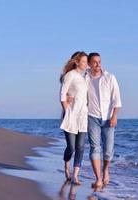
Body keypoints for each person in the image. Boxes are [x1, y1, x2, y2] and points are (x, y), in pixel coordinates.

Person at [85, 52, 122, 188]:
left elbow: (116, 99)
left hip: (108, 118)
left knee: (108, 149)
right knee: (95, 147)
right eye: (95, 62)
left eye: (99, 61)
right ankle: (98, 178)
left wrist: (114, 115)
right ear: (89, 63)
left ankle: (106, 170)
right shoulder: (85, 77)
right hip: (92, 116)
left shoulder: (110, 77)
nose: (98, 64)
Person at [59, 51, 88, 185]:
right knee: (71, 147)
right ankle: (66, 166)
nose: (86, 64)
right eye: (84, 61)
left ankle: (75, 175)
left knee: (80, 147)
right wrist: (67, 110)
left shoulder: (84, 77)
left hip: (83, 116)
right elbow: (62, 94)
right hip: (71, 115)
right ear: (77, 62)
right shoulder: (70, 75)